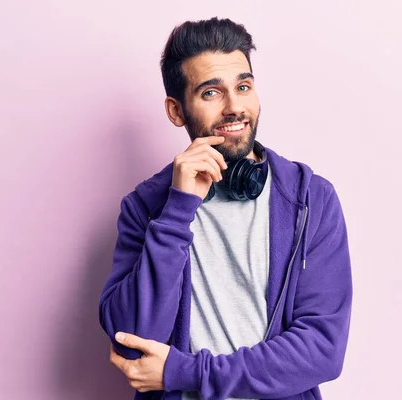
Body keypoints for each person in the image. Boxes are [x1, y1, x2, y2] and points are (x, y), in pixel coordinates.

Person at [98, 17, 353, 400]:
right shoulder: (147, 207)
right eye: (211, 93)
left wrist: (182, 372)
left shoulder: (309, 199)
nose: (235, 107)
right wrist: (178, 210)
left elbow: (321, 350)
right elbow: (133, 340)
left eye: (243, 86)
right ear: (176, 110)